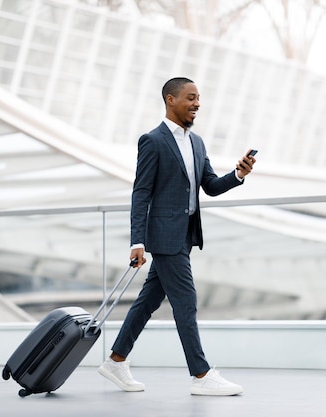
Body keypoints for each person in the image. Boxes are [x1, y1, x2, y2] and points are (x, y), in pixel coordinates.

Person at [98, 77, 256, 396]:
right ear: (171, 100)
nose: (197, 103)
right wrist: (137, 241)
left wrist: (238, 174)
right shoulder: (152, 141)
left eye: (199, 98)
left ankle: (116, 360)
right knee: (186, 301)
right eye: (190, 97)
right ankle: (200, 374)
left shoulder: (197, 142)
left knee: (147, 302)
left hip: (185, 235)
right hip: (163, 236)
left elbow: (209, 186)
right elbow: (141, 193)